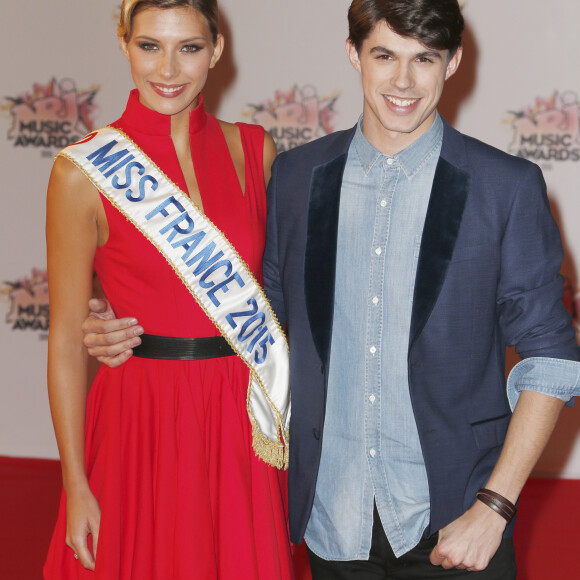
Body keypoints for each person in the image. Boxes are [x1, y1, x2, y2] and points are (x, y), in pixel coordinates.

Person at [82, 0, 580, 578]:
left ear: (453, 62)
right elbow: (247, 310)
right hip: (329, 525)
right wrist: (117, 317)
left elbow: (550, 357)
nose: (403, 81)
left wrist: (494, 509)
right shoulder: (295, 178)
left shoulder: (506, 187)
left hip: (457, 521)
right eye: (384, 55)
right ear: (354, 55)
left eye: (424, 59)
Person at [44, 1, 293, 578]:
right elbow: (62, 342)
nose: (168, 69)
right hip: (140, 413)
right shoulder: (81, 173)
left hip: (238, 414)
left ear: (217, 50)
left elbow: (280, 295)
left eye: (189, 47)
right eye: (149, 46)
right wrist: (75, 484)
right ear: (124, 43)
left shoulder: (255, 150)